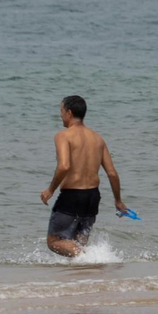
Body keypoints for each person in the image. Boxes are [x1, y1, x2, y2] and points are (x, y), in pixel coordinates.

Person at [40, 95, 128, 258]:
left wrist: (50, 190)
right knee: (78, 242)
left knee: (54, 241)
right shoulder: (97, 138)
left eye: (61, 111)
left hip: (72, 196)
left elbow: (64, 166)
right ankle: (84, 272)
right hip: (92, 197)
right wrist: (118, 201)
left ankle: (90, 257)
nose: (60, 115)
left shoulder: (63, 136)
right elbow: (112, 173)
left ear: (69, 112)